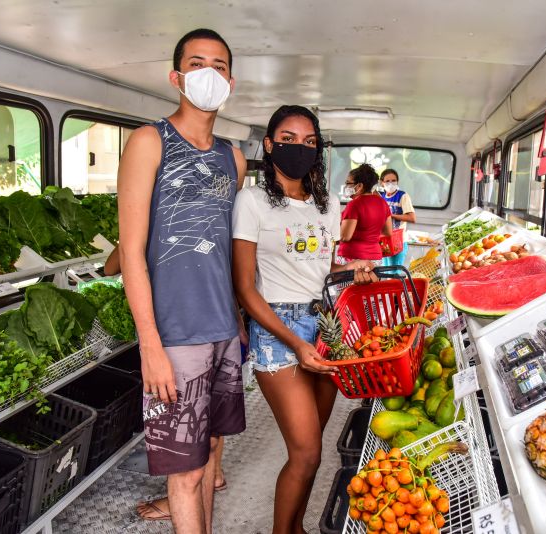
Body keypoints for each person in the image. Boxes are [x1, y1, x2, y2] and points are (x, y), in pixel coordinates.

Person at [117, 28, 247, 534]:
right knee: (186, 474)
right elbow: (131, 251)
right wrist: (150, 343)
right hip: (174, 337)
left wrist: (236, 320)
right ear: (176, 77)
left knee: (210, 457)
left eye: (218, 66)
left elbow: (223, 251)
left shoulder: (232, 158)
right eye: (197, 64)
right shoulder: (150, 141)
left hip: (222, 332)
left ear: (230, 82)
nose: (208, 74)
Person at [232, 105, 377, 534]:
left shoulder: (327, 205)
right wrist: (296, 344)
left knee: (312, 447)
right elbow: (245, 287)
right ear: (270, 144)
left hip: (325, 324)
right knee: (307, 452)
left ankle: (297, 528)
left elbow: (322, 274)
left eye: (309, 141)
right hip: (278, 330)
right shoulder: (251, 201)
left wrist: (354, 274)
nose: (300, 148)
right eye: (289, 139)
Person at [101, 245, 230, 521]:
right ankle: (212, 475)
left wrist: (131, 242)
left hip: (181, 328)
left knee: (189, 428)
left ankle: (190, 490)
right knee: (207, 421)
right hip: (218, 319)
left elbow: (110, 268)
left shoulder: (161, 219)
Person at [336, 163, 393, 265]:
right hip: (375, 259)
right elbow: (388, 232)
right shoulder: (383, 203)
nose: (345, 186)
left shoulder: (354, 204)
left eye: (348, 183)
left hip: (353, 259)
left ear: (359, 186)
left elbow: (345, 236)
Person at [379, 168, 416, 267]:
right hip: (384, 241)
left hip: (398, 241)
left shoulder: (403, 196)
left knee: (394, 273)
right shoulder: (382, 197)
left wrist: (391, 216)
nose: (391, 183)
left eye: (393, 180)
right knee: (385, 272)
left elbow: (412, 218)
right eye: (387, 181)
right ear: (382, 183)